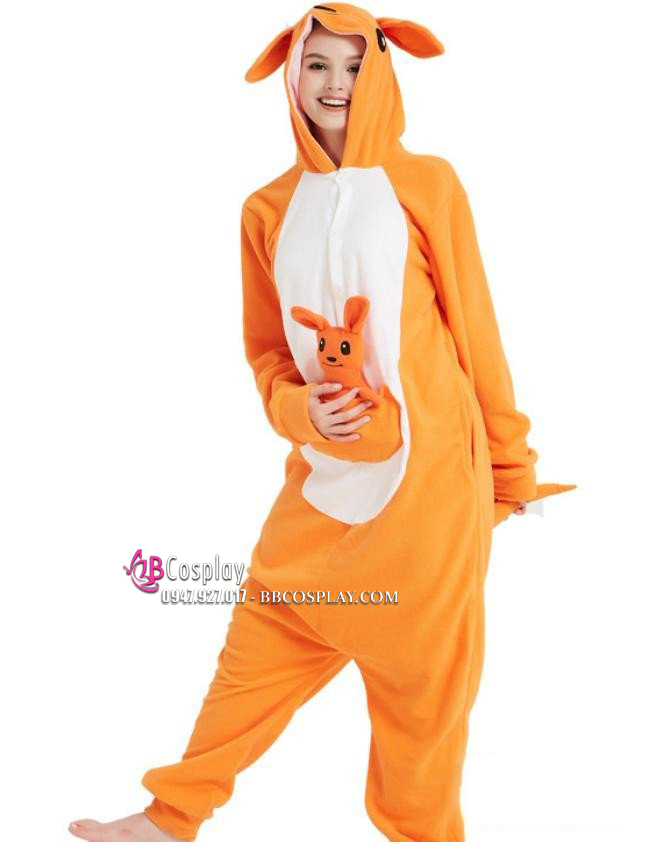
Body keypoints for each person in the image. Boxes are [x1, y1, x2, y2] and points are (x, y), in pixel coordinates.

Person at [69, 4, 575, 841]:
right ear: (291, 74)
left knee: (424, 689)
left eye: (353, 65)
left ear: (381, 71)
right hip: (326, 480)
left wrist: (511, 469)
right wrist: (296, 409)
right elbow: (268, 352)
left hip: (431, 486)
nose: (336, 84)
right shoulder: (266, 209)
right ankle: (168, 818)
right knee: (264, 627)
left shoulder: (428, 185)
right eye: (317, 65)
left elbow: (476, 331)